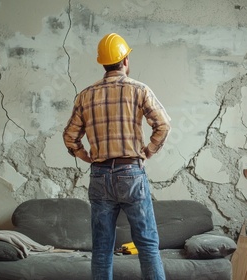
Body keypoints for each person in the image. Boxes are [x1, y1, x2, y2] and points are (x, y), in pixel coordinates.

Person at [63, 33, 171, 280]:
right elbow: (163, 125)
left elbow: (69, 136)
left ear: (103, 62)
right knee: (147, 245)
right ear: (125, 59)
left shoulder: (86, 95)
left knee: (101, 249)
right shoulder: (139, 90)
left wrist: (84, 156)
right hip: (131, 172)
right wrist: (148, 151)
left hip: (100, 175)